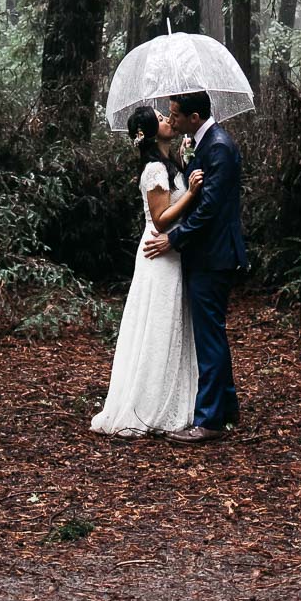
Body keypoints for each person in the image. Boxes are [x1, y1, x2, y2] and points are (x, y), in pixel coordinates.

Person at [90, 105, 203, 437]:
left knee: (172, 322)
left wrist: (186, 160)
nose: (169, 119)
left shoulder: (168, 163)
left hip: (172, 251)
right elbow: (161, 219)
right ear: (152, 131)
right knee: (158, 322)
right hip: (159, 252)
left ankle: (176, 394)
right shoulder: (154, 169)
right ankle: (148, 403)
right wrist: (192, 192)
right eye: (162, 118)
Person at [144, 90, 247, 443]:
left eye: (174, 114)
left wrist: (173, 239)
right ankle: (227, 407)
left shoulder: (218, 147)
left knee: (209, 336)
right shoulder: (201, 143)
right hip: (207, 253)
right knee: (212, 331)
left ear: (194, 117)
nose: (170, 119)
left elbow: (208, 210)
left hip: (214, 255)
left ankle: (209, 421)